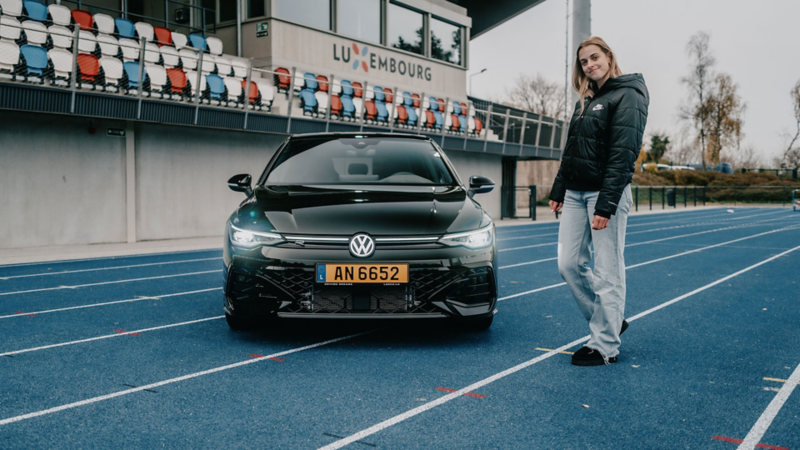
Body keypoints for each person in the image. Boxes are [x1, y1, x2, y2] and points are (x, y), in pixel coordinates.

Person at [548, 36, 649, 366]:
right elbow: (571, 149)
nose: (589, 64)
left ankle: (605, 346)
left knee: (607, 271)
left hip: (605, 194)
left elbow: (623, 154)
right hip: (575, 194)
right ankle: (611, 319)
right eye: (584, 61)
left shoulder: (629, 93)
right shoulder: (587, 99)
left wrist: (606, 205)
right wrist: (558, 190)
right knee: (568, 264)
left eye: (594, 57)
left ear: (608, 56)